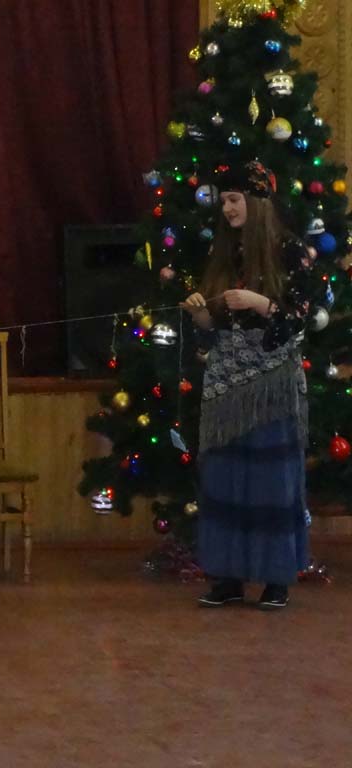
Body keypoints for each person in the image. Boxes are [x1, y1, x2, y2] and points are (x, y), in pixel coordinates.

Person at [182, 160, 314, 611]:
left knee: (271, 480)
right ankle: (228, 577)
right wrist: (200, 314)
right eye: (223, 202)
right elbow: (213, 326)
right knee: (225, 478)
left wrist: (261, 303)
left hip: (271, 385)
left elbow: (300, 321)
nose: (228, 209)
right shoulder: (223, 252)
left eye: (235, 200)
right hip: (225, 381)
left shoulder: (291, 251)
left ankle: (276, 578)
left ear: (257, 202)